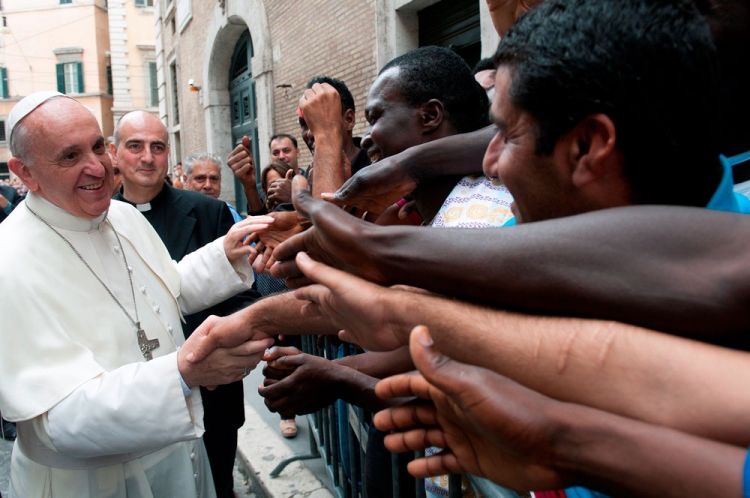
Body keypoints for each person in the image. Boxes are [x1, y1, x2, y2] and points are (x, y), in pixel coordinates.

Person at [0, 91, 273, 497]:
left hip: (174, 453)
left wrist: (223, 252)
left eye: (96, 147)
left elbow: (164, 290)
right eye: (70, 156)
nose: (98, 168)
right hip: (88, 483)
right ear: (25, 173)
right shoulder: (10, 259)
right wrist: (181, 374)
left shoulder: (121, 214)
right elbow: (56, 419)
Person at [111, 111, 262, 498]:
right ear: (114, 153)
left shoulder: (208, 212)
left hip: (212, 391)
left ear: (168, 156)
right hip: (132, 399)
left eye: (157, 147)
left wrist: (217, 357)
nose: (147, 157)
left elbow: (244, 297)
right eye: (135, 146)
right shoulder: (98, 221)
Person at [184, 151, 244, 222]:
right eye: (200, 178)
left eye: (214, 179)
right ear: (186, 181)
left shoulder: (229, 212)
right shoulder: (174, 213)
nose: (208, 185)